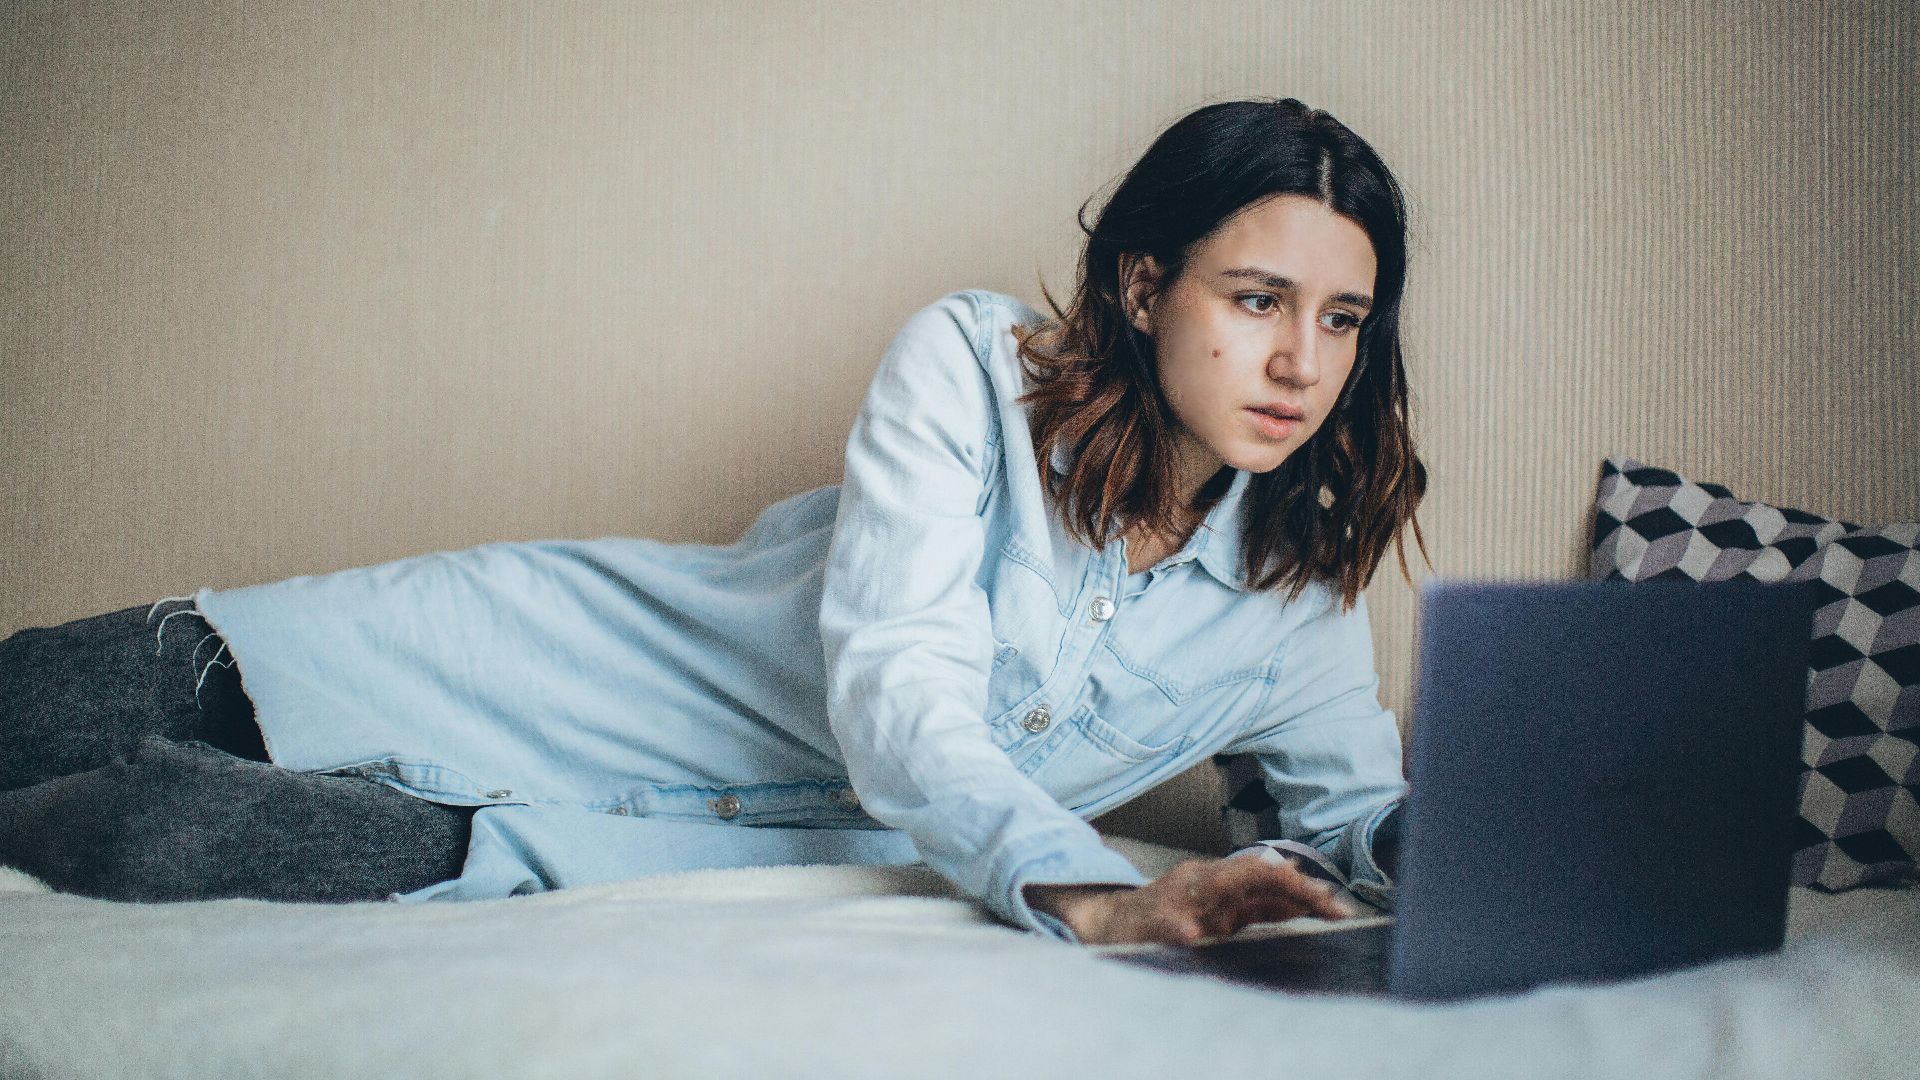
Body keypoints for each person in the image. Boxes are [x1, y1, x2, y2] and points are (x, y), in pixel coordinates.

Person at [0, 96, 1426, 946]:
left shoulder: (1301, 592)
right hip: (525, 665)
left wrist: (1501, 840)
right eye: (1258, 301)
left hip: (541, 844)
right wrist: (1088, 892)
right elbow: (903, 701)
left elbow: (1356, 813)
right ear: (1139, 286)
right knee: (37, 703)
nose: (1303, 361)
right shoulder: (975, 372)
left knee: (128, 851)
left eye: (1343, 320)